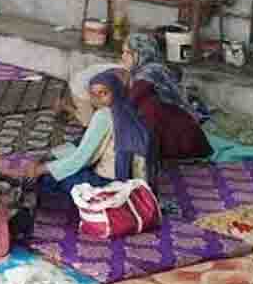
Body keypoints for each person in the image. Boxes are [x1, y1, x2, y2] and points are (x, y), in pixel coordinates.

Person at [24, 70, 156, 199]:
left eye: (103, 93)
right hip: (133, 179)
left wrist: (40, 169)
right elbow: (87, 142)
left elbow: (81, 159)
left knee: (49, 178)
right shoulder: (128, 108)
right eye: (93, 94)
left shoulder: (104, 115)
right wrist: (52, 156)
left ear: (115, 91)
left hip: (111, 182)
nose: (98, 98)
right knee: (68, 152)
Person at [123, 33, 211, 161]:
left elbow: (127, 106)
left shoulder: (146, 76)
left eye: (127, 52)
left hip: (181, 143)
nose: (123, 57)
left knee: (144, 109)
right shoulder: (154, 69)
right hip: (188, 139)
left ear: (140, 53)